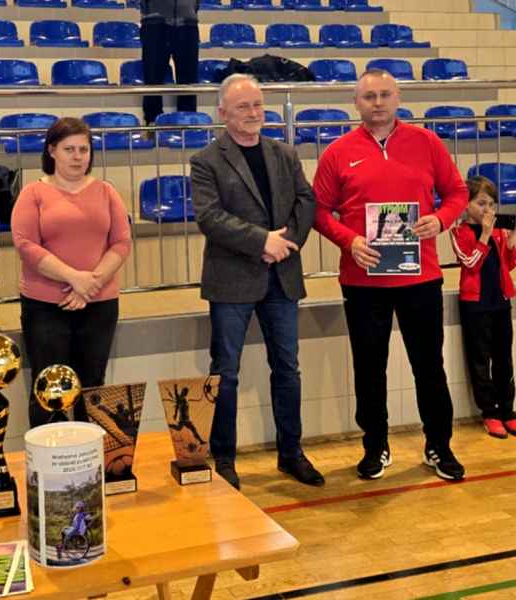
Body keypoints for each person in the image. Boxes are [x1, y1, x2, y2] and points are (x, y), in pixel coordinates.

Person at [313, 68, 468, 481]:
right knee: (369, 369)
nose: (378, 103)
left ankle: (439, 446)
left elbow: (457, 193)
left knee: (429, 367)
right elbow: (318, 211)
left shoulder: (427, 142)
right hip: (363, 281)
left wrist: (441, 219)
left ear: (398, 98)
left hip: (421, 278)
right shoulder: (337, 153)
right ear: (356, 103)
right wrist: (349, 240)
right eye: (369, 96)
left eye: (385, 95)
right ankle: (375, 446)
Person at [190, 73, 323, 490]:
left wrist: (283, 244)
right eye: (243, 106)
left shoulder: (284, 153)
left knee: (287, 369)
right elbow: (209, 217)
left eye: (258, 105)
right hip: (232, 280)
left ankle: (291, 453)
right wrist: (261, 241)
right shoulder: (206, 160)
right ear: (223, 113)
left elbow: (307, 201)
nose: (253, 113)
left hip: (281, 276)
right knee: (225, 372)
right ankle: (224, 458)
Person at [11, 117, 131, 428]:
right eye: (69, 149)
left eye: (83, 149)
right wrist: (74, 278)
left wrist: (90, 284)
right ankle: (49, 456)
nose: (78, 156)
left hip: (99, 303)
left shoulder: (106, 192)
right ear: (52, 151)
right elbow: (26, 245)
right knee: (48, 387)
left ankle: (88, 454)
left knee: (92, 386)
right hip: (45, 306)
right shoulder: (33, 193)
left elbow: (121, 242)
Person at [450, 175, 516, 439]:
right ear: (466, 205)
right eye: (481, 203)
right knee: (480, 359)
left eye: (491, 204)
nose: (487, 210)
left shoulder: (499, 232)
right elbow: (470, 263)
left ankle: (507, 410)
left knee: (504, 358)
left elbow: (508, 265)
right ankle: (489, 412)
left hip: (499, 300)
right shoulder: (459, 232)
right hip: (475, 305)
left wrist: (511, 242)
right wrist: (486, 235)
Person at [140, 0, 199, 126]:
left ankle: (187, 122)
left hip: (188, 25)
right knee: (153, 78)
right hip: (155, 24)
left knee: (189, 81)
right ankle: (152, 122)